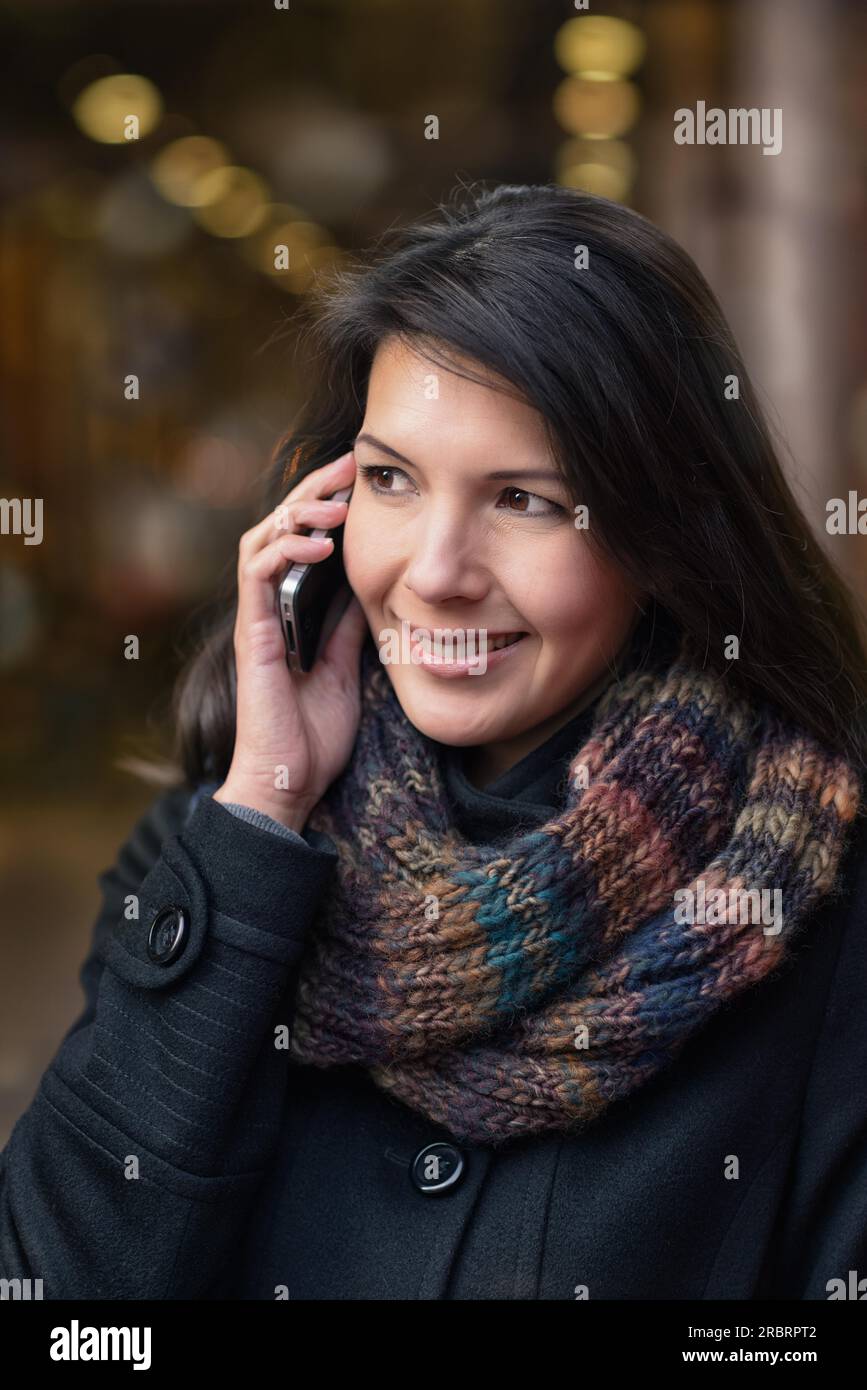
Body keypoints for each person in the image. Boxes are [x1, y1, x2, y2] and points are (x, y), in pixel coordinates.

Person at [3, 183, 867, 1301]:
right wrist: (259, 811)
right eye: (391, 480)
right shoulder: (218, 857)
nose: (436, 571)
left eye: (524, 498)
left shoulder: (822, 913)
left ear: (662, 535)